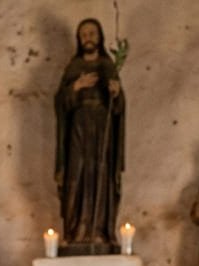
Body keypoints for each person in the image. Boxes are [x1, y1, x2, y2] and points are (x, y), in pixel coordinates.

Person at [54, 18, 125, 251]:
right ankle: (75, 231)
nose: (88, 38)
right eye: (84, 34)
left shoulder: (108, 66)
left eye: (92, 33)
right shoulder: (73, 68)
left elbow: (119, 108)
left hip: (102, 129)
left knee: (100, 175)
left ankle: (100, 231)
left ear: (100, 36)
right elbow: (60, 103)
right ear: (79, 39)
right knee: (77, 175)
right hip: (78, 128)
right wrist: (76, 87)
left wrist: (116, 93)